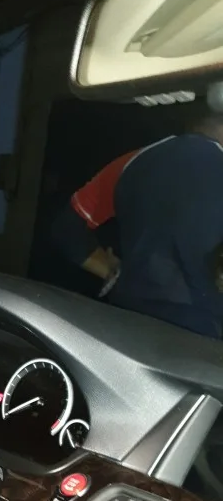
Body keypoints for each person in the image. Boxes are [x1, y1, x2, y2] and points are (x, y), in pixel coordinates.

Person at [52, 99, 223, 338]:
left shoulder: (132, 162)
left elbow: (67, 230)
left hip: (129, 323)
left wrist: (111, 271)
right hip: (205, 331)